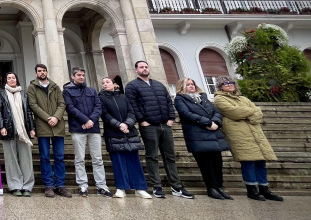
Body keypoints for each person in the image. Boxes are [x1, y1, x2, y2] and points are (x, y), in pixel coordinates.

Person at [124, 60, 194, 199]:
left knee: (170, 157)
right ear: (136, 70)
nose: (144, 69)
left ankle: (177, 187)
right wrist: (142, 120)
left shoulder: (159, 84)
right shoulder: (132, 86)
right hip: (149, 126)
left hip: (165, 125)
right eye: (141, 67)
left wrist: (171, 118)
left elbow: (168, 101)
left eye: (146, 66)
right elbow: (132, 105)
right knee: (152, 156)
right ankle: (157, 186)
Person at [214, 76, 283, 202]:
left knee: (261, 162)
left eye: (231, 82)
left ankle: (264, 189)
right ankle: (251, 189)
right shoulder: (219, 99)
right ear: (220, 86)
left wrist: (249, 114)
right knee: (248, 161)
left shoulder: (243, 98)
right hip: (239, 134)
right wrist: (251, 112)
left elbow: (258, 114)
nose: (229, 84)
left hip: (255, 133)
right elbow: (235, 113)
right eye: (225, 83)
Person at [174, 77, 232, 200]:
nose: (191, 86)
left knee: (217, 162)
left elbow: (216, 111)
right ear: (182, 87)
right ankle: (211, 188)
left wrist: (215, 121)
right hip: (197, 135)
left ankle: (219, 187)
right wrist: (207, 122)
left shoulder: (203, 97)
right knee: (205, 164)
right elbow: (186, 114)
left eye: (192, 84)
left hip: (213, 134)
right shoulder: (180, 99)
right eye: (188, 84)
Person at [99, 77, 152, 198]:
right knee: (118, 162)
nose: (105, 84)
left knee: (134, 161)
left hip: (129, 132)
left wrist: (127, 124)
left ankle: (140, 188)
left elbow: (131, 112)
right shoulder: (101, 98)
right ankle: (121, 188)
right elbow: (105, 115)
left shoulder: (123, 97)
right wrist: (118, 125)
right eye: (103, 83)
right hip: (114, 133)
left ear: (114, 84)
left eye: (107, 82)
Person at [63, 67, 112, 197]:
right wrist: (85, 120)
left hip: (93, 128)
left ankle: (101, 186)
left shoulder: (91, 90)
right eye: (78, 75)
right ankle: (83, 185)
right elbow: (70, 108)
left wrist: (91, 120)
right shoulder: (67, 91)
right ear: (72, 77)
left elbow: (98, 106)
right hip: (78, 129)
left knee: (98, 159)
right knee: (79, 159)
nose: (81, 77)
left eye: (83, 75)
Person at [27, 63, 71, 198]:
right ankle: (49, 186)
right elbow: (33, 105)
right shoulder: (32, 87)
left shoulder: (55, 86)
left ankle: (60, 185)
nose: (42, 73)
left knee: (59, 157)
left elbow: (62, 103)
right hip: (43, 125)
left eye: (44, 70)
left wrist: (56, 117)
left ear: (47, 72)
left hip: (57, 126)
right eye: (39, 71)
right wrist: (48, 118)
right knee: (44, 157)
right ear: (36, 73)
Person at [0, 72, 35, 197]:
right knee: (11, 159)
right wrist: (2, 126)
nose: (11, 80)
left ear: (16, 80)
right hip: (8, 128)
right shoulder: (2, 93)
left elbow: (28, 111)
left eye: (13, 78)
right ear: (5, 81)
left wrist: (32, 128)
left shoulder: (23, 93)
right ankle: (15, 186)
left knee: (26, 158)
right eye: (9, 78)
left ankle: (27, 186)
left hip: (23, 129)